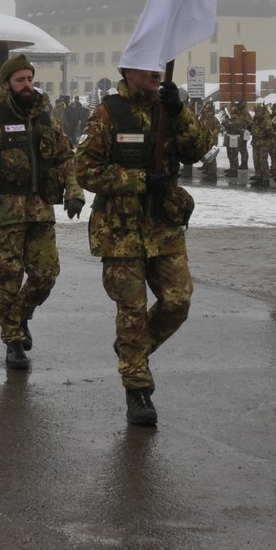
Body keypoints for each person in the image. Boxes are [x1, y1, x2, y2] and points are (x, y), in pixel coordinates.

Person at [74, 60, 210, 427]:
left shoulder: (170, 107)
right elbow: (85, 170)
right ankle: (137, 388)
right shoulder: (108, 113)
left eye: (158, 67)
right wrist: (136, 179)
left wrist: (180, 111)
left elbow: (199, 149)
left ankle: (131, 350)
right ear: (127, 72)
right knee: (131, 312)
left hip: (163, 226)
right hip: (120, 231)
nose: (156, 73)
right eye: (146, 68)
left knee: (178, 301)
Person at [0, 54, 83, 371]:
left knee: (46, 275)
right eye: (20, 80)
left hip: (40, 213)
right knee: (8, 278)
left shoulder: (46, 120)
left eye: (30, 79)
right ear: (6, 84)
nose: (27, 85)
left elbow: (66, 157)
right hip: (5, 216)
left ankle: (21, 313)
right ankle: (13, 340)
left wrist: (74, 191)